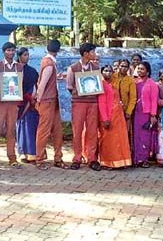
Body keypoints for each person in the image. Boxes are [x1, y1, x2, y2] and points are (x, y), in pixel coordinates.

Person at [34, 39, 68, 170]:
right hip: (47, 101)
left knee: (57, 130)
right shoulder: (49, 63)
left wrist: (57, 77)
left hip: (52, 100)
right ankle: (40, 159)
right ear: (58, 50)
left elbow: (46, 81)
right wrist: (39, 99)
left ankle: (57, 157)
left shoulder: (48, 62)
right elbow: (42, 84)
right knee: (44, 130)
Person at [66, 42, 100, 171]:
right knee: (77, 130)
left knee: (92, 131)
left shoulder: (96, 67)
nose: (94, 54)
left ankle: (91, 158)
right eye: (93, 52)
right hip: (78, 102)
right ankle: (77, 158)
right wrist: (80, 92)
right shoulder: (73, 68)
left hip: (93, 102)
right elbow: (69, 86)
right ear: (86, 54)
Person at [0, 42, 23, 167]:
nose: (11, 53)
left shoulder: (19, 67)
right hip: (0, 103)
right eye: (8, 50)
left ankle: (12, 157)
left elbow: (20, 83)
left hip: (13, 103)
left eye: (13, 50)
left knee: (11, 130)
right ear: (4, 52)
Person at [97, 65, 132, 169]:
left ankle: (120, 161)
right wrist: (105, 119)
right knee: (108, 139)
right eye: (106, 71)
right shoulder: (101, 85)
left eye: (110, 71)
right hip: (108, 116)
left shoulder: (113, 84)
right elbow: (101, 103)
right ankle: (107, 162)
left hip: (118, 116)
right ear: (101, 72)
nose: (108, 73)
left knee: (119, 139)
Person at [132, 61, 159, 167]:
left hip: (146, 113)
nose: (139, 71)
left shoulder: (152, 84)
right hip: (136, 112)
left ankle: (144, 159)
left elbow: (154, 100)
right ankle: (136, 158)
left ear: (148, 72)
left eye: (142, 69)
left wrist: (153, 115)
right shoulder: (134, 82)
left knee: (145, 136)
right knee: (136, 135)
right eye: (138, 68)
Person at [15, 48, 39, 164]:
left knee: (30, 127)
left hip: (31, 104)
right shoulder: (14, 70)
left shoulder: (32, 71)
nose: (27, 57)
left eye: (28, 55)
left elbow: (36, 85)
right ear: (19, 56)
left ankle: (32, 153)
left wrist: (32, 98)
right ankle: (22, 153)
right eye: (25, 55)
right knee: (20, 128)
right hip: (19, 103)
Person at [112, 59, 136, 134]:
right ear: (118, 66)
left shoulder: (130, 81)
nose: (123, 68)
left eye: (126, 66)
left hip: (124, 110)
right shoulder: (112, 77)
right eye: (122, 66)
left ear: (128, 68)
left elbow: (133, 98)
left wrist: (129, 112)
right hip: (112, 109)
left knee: (124, 132)